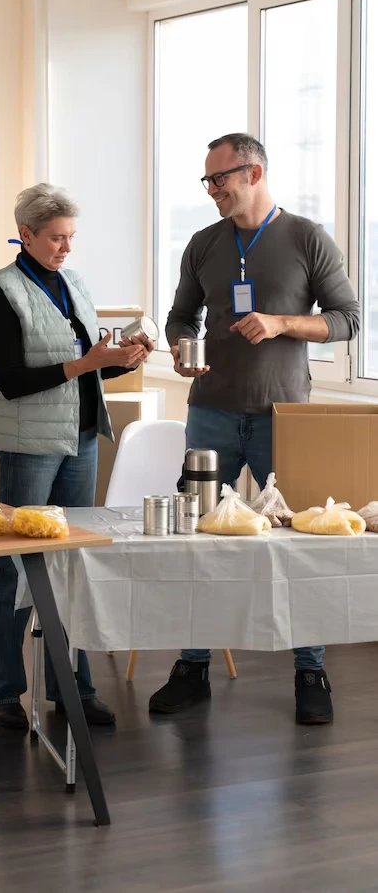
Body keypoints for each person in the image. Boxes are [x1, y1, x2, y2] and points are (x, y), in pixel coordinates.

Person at [150, 133, 360, 725]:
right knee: (198, 537)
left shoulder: (305, 238)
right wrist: (181, 348)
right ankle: (192, 667)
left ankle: (310, 670)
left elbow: (347, 321)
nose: (212, 190)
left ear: (254, 172)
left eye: (220, 179)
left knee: (296, 542)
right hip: (210, 410)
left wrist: (281, 323)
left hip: (282, 416)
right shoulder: (203, 243)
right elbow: (179, 315)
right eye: (208, 181)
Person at [0, 183, 152, 731]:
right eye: (56, 238)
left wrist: (122, 359)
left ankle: (72, 686)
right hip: (28, 446)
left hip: (80, 440)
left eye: (71, 237)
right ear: (26, 235)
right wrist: (85, 364)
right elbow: (11, 381)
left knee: (71, 565)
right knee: (14, 564)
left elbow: (86, 365)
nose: (66, 248)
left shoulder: (74, 282)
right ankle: (4, 690)